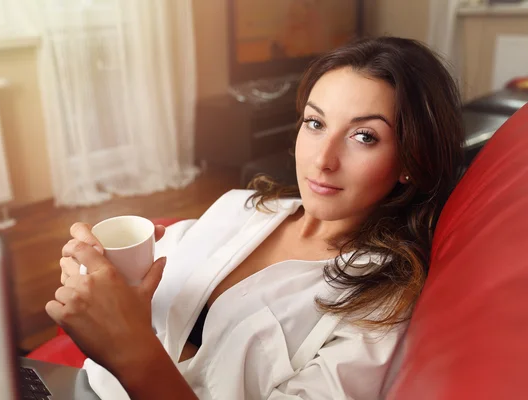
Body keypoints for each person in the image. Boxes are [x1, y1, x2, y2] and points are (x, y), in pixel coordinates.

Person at [46, 36, 465, 399]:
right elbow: (146, 281)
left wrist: (128, 349)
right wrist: (99, 276)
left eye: (363, 136)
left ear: (411, 158)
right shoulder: (244, 206)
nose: (322, 160)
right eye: (315, 123)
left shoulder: (379, 303)